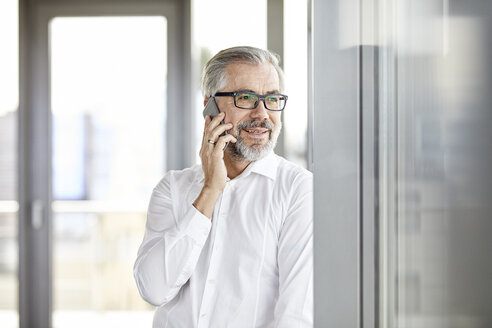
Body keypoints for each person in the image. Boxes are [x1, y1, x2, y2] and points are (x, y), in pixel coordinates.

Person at [134, 46, 313, 327]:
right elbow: (153, 289)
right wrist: (210, 191)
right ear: (211, 106)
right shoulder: (172, 188)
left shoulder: (297, 190)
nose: (262, 114)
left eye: (273, 99)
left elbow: (296, 315)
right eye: (246, 97)